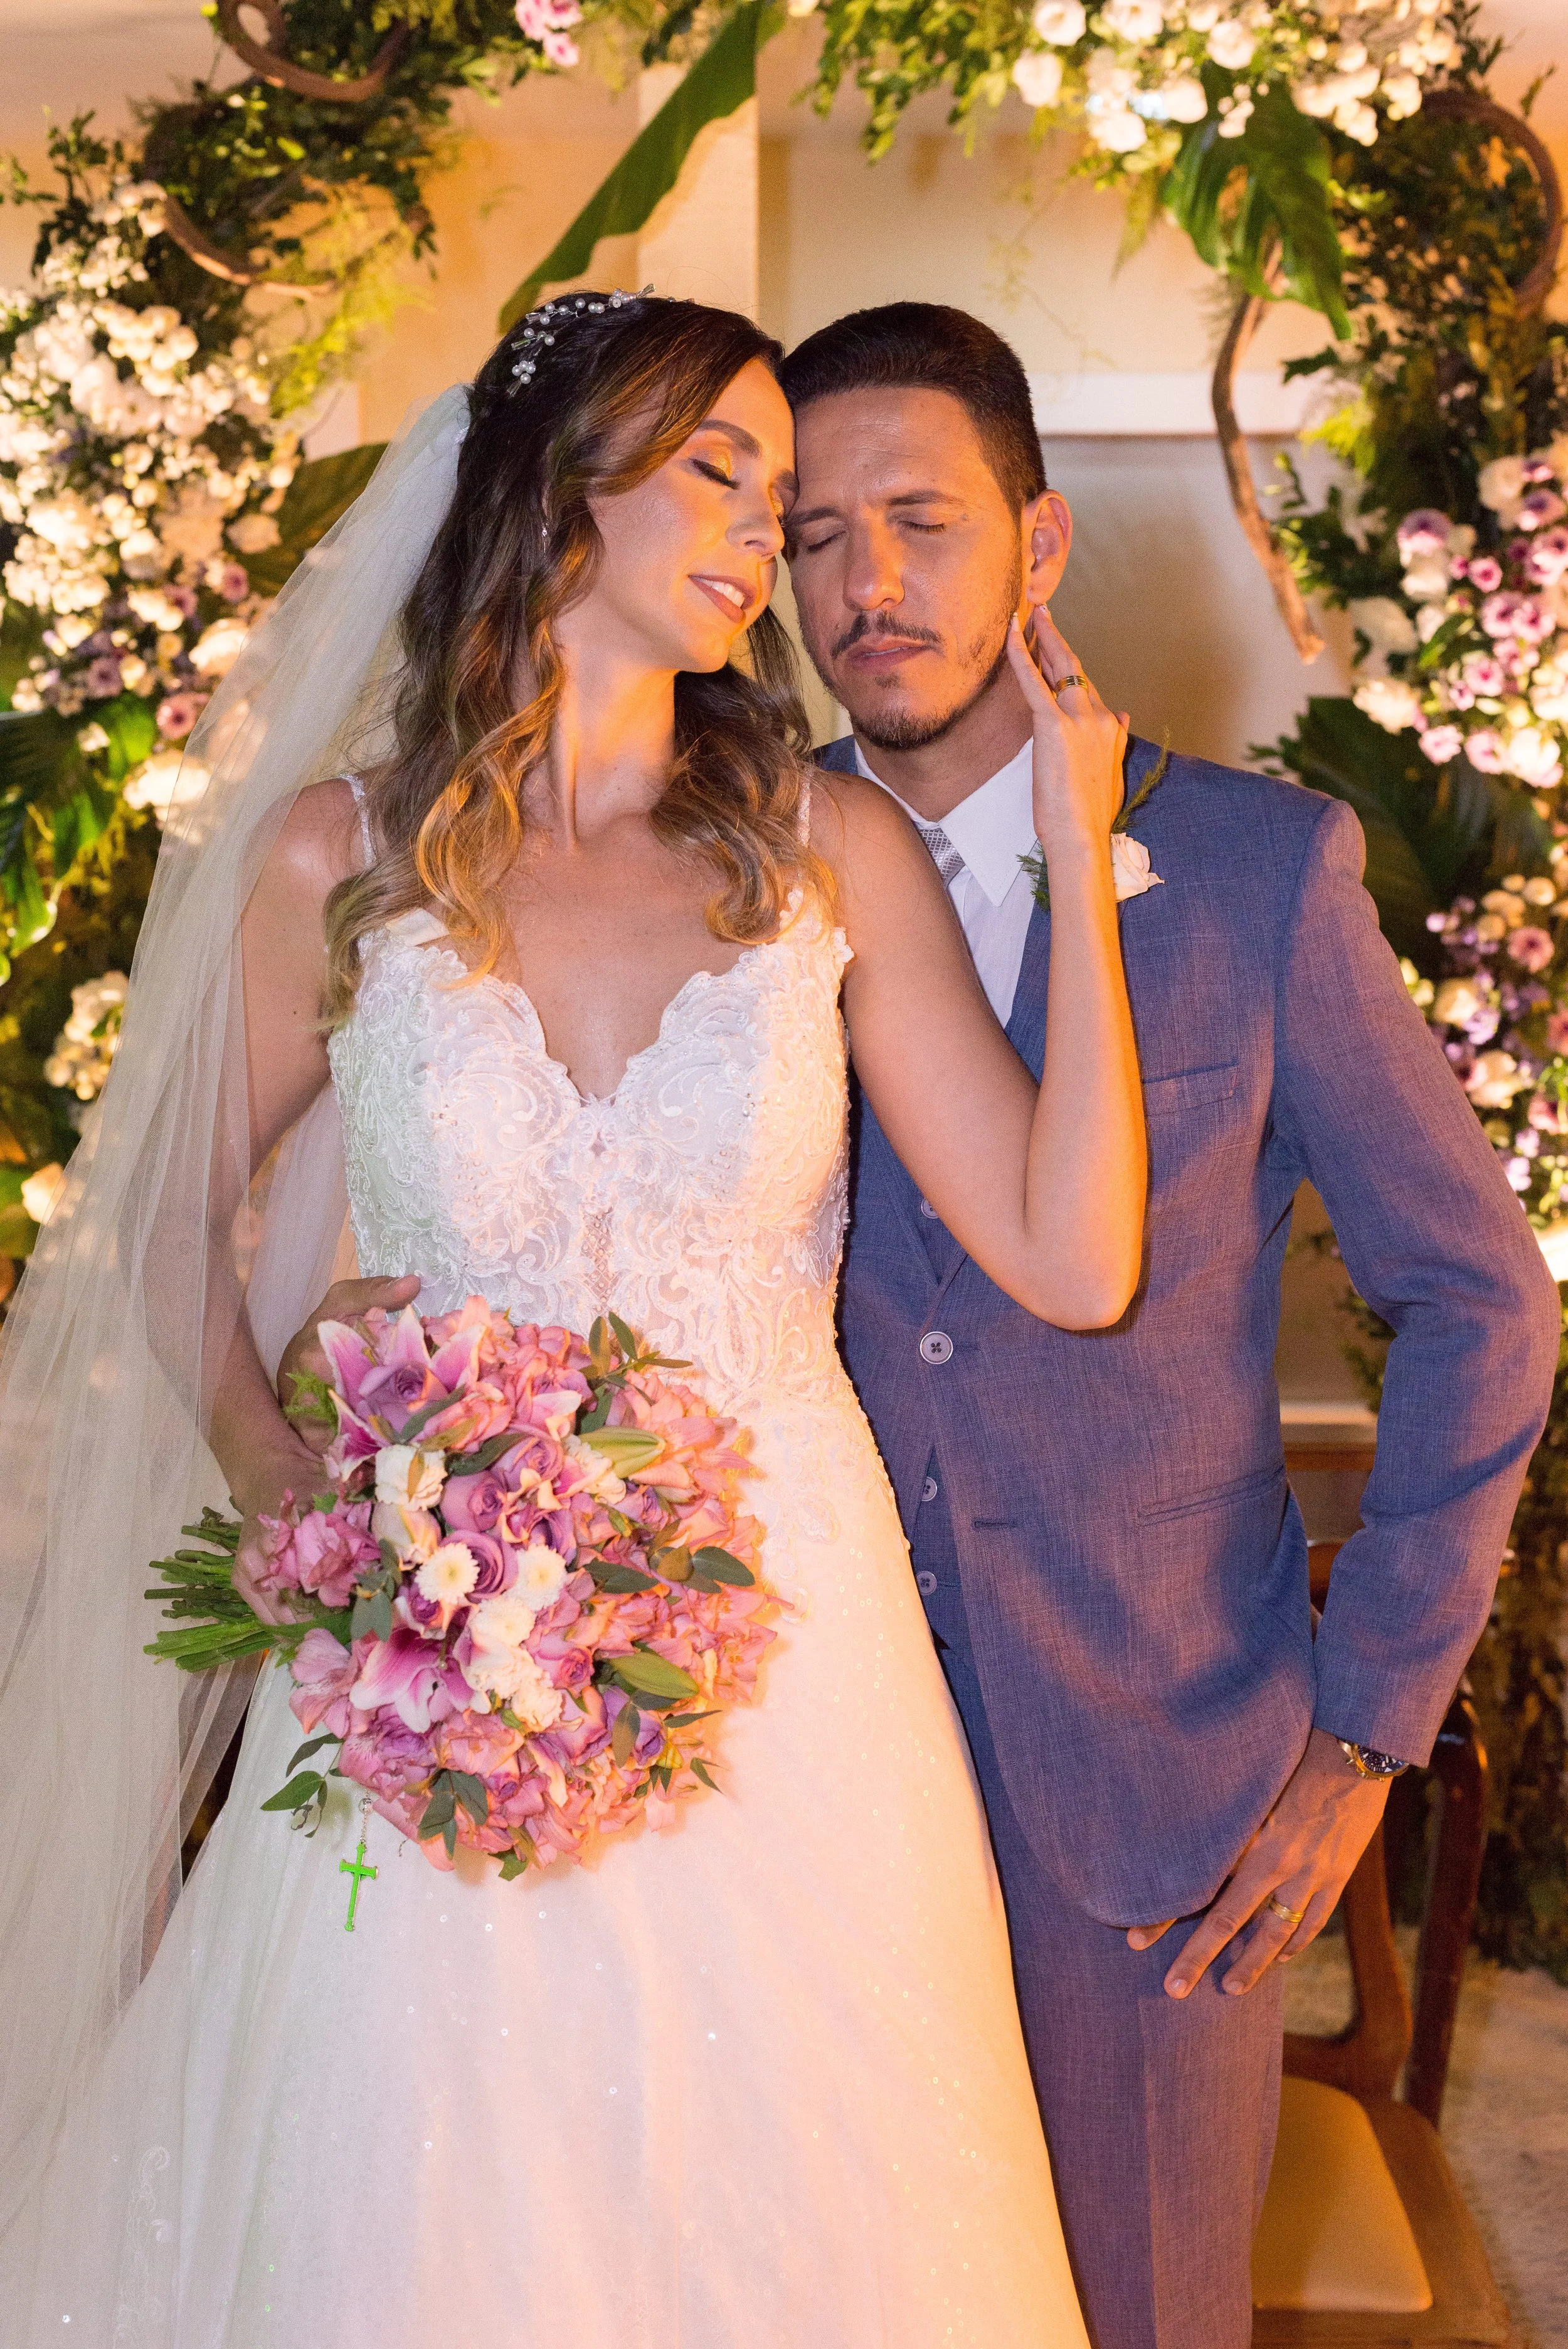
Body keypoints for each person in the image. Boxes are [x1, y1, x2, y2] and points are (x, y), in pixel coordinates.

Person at [0, 295, 1144, 2344]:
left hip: (786, 1664)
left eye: (775, 498)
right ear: (560, 489)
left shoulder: (824, 849)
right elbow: (161, 1208)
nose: (762, 539)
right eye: (724, 474)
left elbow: (1075, 1258)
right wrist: (288, 1487)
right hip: (424, 1652)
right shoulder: (341, 854)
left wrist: (1069, 825)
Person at [778, 300, 1562, 2349]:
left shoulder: (1252, 873)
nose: (866, 585)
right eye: (808, 530)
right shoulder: (720, 876)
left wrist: (1363, 1727)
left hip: (1158, 1794)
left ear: (1037, 545)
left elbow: (1480, 1295)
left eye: (922, 521)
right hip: (786, 1783)